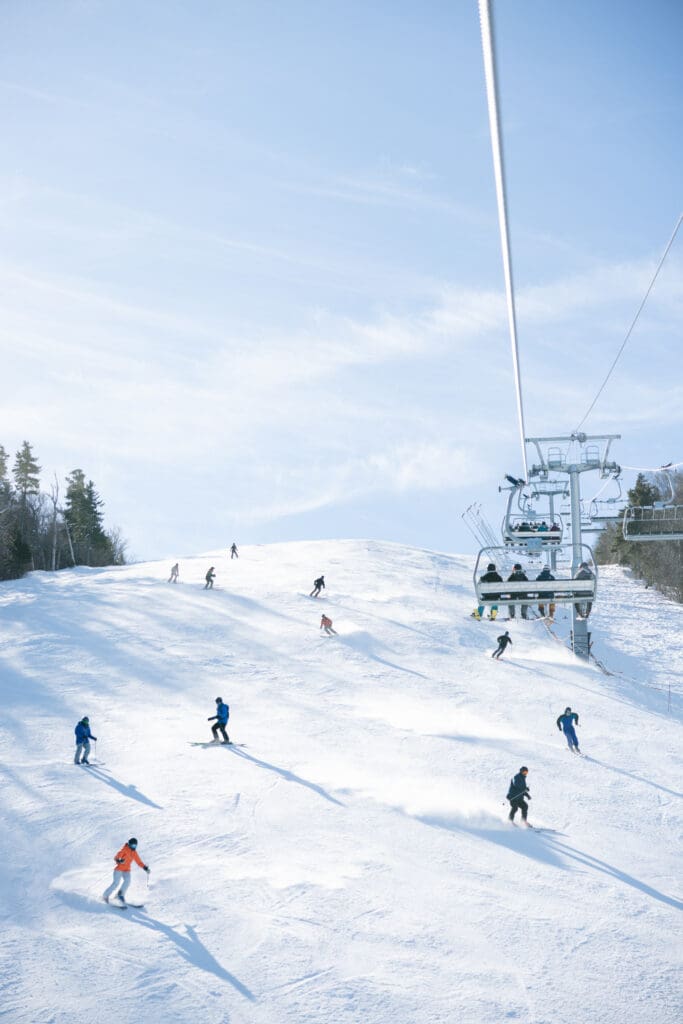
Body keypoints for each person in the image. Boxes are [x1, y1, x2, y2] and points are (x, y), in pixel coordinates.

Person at [103, 838, 150, 904]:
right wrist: (119, 860)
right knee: (116, 883)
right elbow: (116, 857)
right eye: (133, 845)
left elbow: (139, 862)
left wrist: (145, 867)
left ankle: (120, 895)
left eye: (135, 846)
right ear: (130, 844)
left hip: (126, 870)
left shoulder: (134, 853)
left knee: (127, 881)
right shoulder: (125, 849)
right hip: (119, 869)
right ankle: (105, 895)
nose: (134, 847)